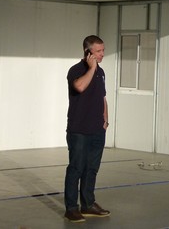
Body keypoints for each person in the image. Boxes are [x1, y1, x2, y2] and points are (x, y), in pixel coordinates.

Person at [63, 35, 111, 223]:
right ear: (87, 52)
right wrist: (91, 68)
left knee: (92, 168)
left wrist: (105, 119)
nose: (102, 54)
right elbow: (80, 87)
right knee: (76, 168)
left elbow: (102, 97)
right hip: (79, 130)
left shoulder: (101, 72)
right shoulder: (76, 70)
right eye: (98, 51)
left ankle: (88, 204)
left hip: (97, 129)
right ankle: (71, 208)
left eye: (103, 50)